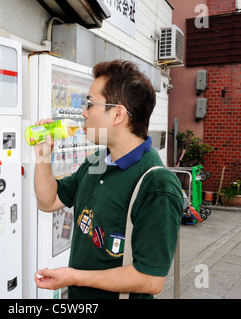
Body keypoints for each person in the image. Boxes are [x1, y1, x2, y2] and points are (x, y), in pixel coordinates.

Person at [32, 60, 183, 299]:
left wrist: (73, 276)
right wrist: (43, 156)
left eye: (90, 104)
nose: (84, 112)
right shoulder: (97, 162)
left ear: (118, 114)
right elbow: (48, 201)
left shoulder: (157, 185)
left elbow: (151, 279)